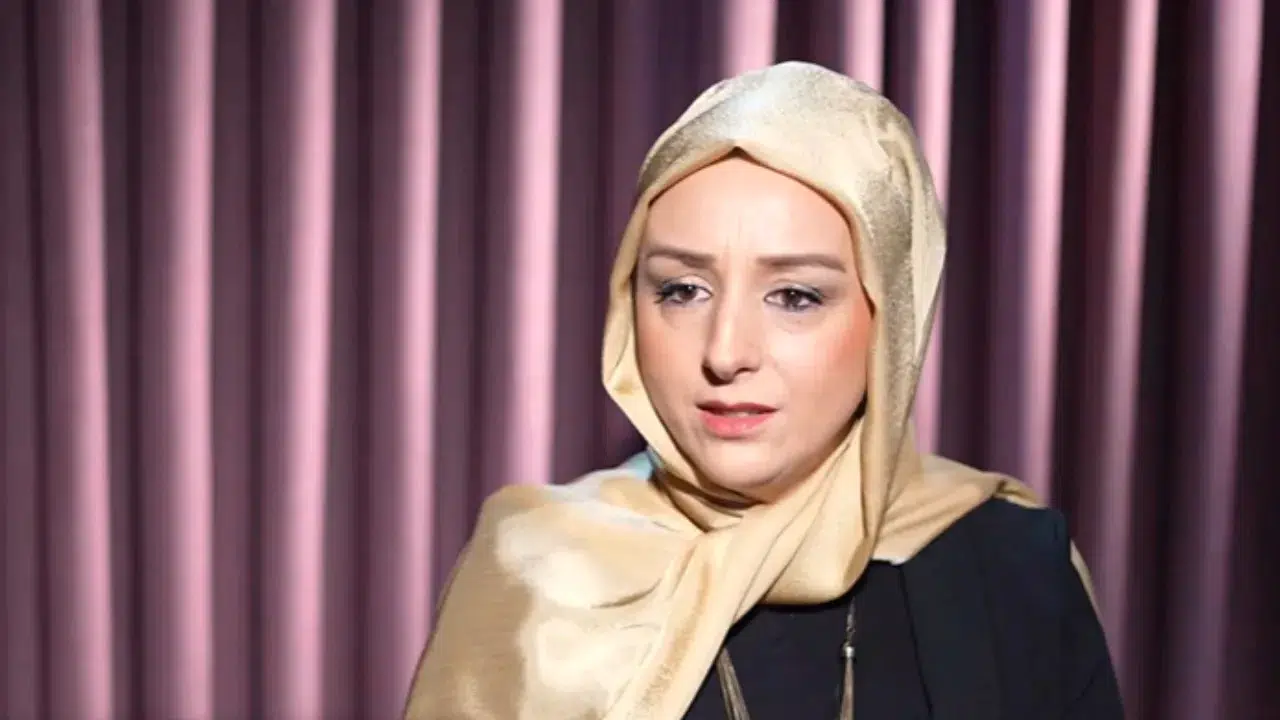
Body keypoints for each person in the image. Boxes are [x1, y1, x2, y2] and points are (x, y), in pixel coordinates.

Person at [402, 61, 1124, 719]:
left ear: (892, 322)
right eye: (682, 290)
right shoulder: (539, 573)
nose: (726, 353)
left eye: (795, 296)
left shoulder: (1013, 566)